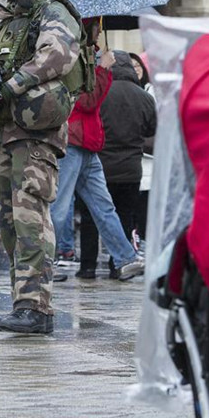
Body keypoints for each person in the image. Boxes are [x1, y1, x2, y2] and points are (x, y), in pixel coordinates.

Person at [0, 0, 84, 334]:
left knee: (30, 219)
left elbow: (55, 56)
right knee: (9, 223)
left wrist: (10, 85)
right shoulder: (2, 18)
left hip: (35, 132)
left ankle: (37, 308)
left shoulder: (53, 11)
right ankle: (24, 302)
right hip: (4, 131)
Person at [49, 36, 146, 281]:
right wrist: (102, 68)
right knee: (59, 208)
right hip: (73, 142)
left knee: (104, 206)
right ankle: (42, 261)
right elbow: (88, 102)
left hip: (87, 143)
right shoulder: (71, 61)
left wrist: (100, 68)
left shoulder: (84, 59)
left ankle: (125, 258)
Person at [78, 50, 156, 276]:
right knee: (124, 215)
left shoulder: (99, 93)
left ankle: (87, 266)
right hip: (131, 167)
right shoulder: (144, 97)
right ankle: (118, 266)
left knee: (91, 216)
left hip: (99, 163)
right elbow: (153, 129)